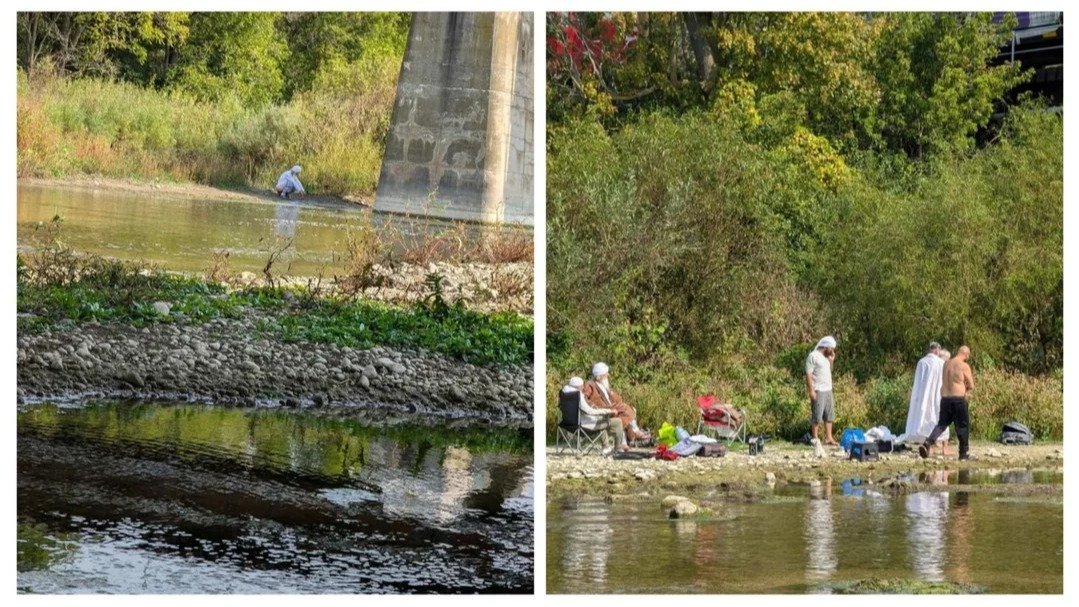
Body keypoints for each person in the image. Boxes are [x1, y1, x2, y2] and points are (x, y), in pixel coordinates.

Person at [920, 345, 976, 460]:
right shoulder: (963, 365)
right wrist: (966, 389)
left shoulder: (946, 364)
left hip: (945, 399)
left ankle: (927, 442)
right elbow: (971, 384)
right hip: (958, 399)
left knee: (941, 424)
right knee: (962, 426)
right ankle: (963, 453)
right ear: (966, 354)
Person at [582, 362, 651, 443]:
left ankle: (629, 436)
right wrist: (595, 408)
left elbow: (617, 399)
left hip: (611, 409)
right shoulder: (590, 385)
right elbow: (584, 399)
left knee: (627, 409)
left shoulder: (603, 385)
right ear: (599, 376)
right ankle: (634, 433)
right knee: (625, 409)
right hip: (602, 412)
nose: (608, 375)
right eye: (606, 374)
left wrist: (612, 395)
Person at [903, 341, 948, 454]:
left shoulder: (921, 362)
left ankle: (927, 445)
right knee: (935, 417)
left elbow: (918, 382)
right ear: (937, 350)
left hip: (922, 396)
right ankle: (938, 446)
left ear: (929, 350)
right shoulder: (941, 363)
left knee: (923, 418)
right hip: (937, 395)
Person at [562, 376, 626, 455]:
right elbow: (589, 411)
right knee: (618, 421)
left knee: (600, 420)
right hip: (584, 425)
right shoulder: (578, 395)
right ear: (579, 387)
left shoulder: (565, 394)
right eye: (582, 386)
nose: (583, 388)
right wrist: (609, 411)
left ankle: (606, 447)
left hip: (567, 423)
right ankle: (618, 448)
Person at [805, 336, 838, 446]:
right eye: (831, 348)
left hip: (828, 389)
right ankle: (815, 439)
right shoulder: (813, 356)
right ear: (826, 347)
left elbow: (829, 371)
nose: (832, 351)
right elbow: (808, 374)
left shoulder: (826, 357)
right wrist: (811, 390)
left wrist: (831, 361)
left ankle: (829, 438)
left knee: (829, 415)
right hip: (818, 390)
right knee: (817, 416)